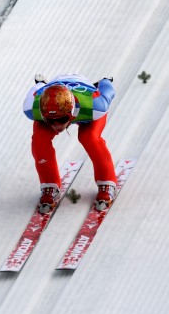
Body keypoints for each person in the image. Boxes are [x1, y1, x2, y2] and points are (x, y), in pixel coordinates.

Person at [23, 73, 117, 213]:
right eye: (50, 120)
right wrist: (41, 85)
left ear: (72, 112)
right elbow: (35, 91)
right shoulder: (32, 108)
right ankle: (49, 184)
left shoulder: (96, 106)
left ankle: (107, 181)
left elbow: (108, 91)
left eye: (61, 120)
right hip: (56, 94)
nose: (56, 125)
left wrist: (104, 82)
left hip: (85, 103)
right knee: (39, 139)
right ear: (42, 114)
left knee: (89, 137)